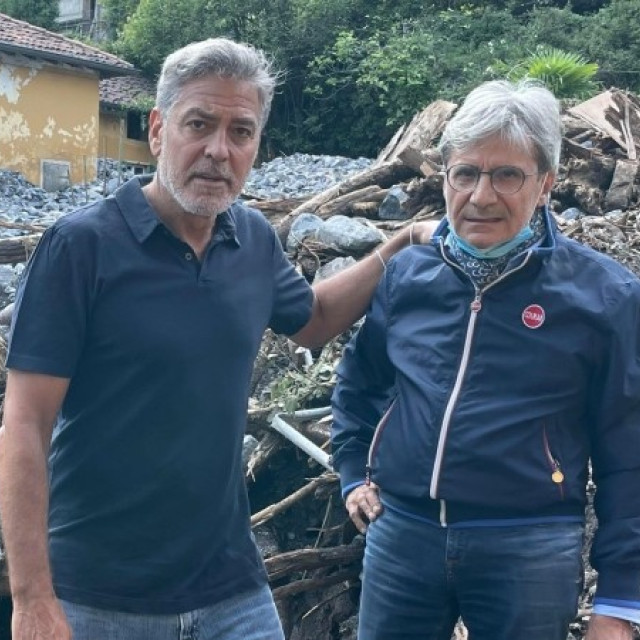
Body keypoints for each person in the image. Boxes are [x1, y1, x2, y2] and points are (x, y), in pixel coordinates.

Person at [0, 38, 433, 640]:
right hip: (98, 593)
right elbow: (24, 423)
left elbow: (313, 318)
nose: (218, 151)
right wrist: (31, 599)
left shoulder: (250, 238)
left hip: (229, 586)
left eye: (241, 132)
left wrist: (401, 242)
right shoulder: (81, 248)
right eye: (199, 124)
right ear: (157, 130)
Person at [330, 79, 640, 640]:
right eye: (466, 173)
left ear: (545, 183)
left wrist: (620, 600)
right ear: (444, 177)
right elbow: (358, 381)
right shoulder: (407, 275)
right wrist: (354, 471)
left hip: (530, 548)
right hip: (402, 537)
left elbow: (629, 450)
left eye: (507, 175)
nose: (481, 195)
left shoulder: (604, 296)